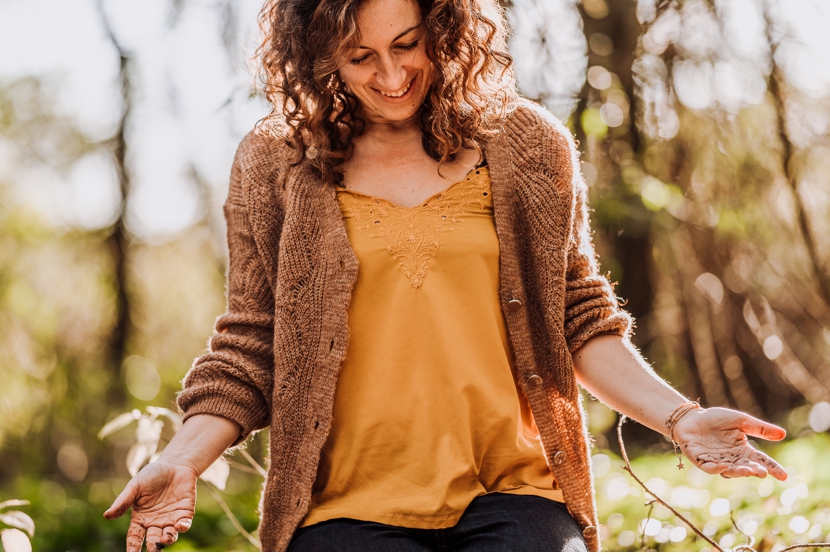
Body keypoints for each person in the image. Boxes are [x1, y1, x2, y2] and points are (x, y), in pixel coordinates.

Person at [104, 0, 789, 551]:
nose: (391, 75)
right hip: (342, 510)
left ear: (444, 27)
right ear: (319, 58)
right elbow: (254, 343)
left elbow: (575, 316)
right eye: (359, 56)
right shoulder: (277, 161)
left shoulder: (527, 144)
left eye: (407, 44)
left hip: (516, 496)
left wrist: (682, 418)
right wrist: (185, 458)